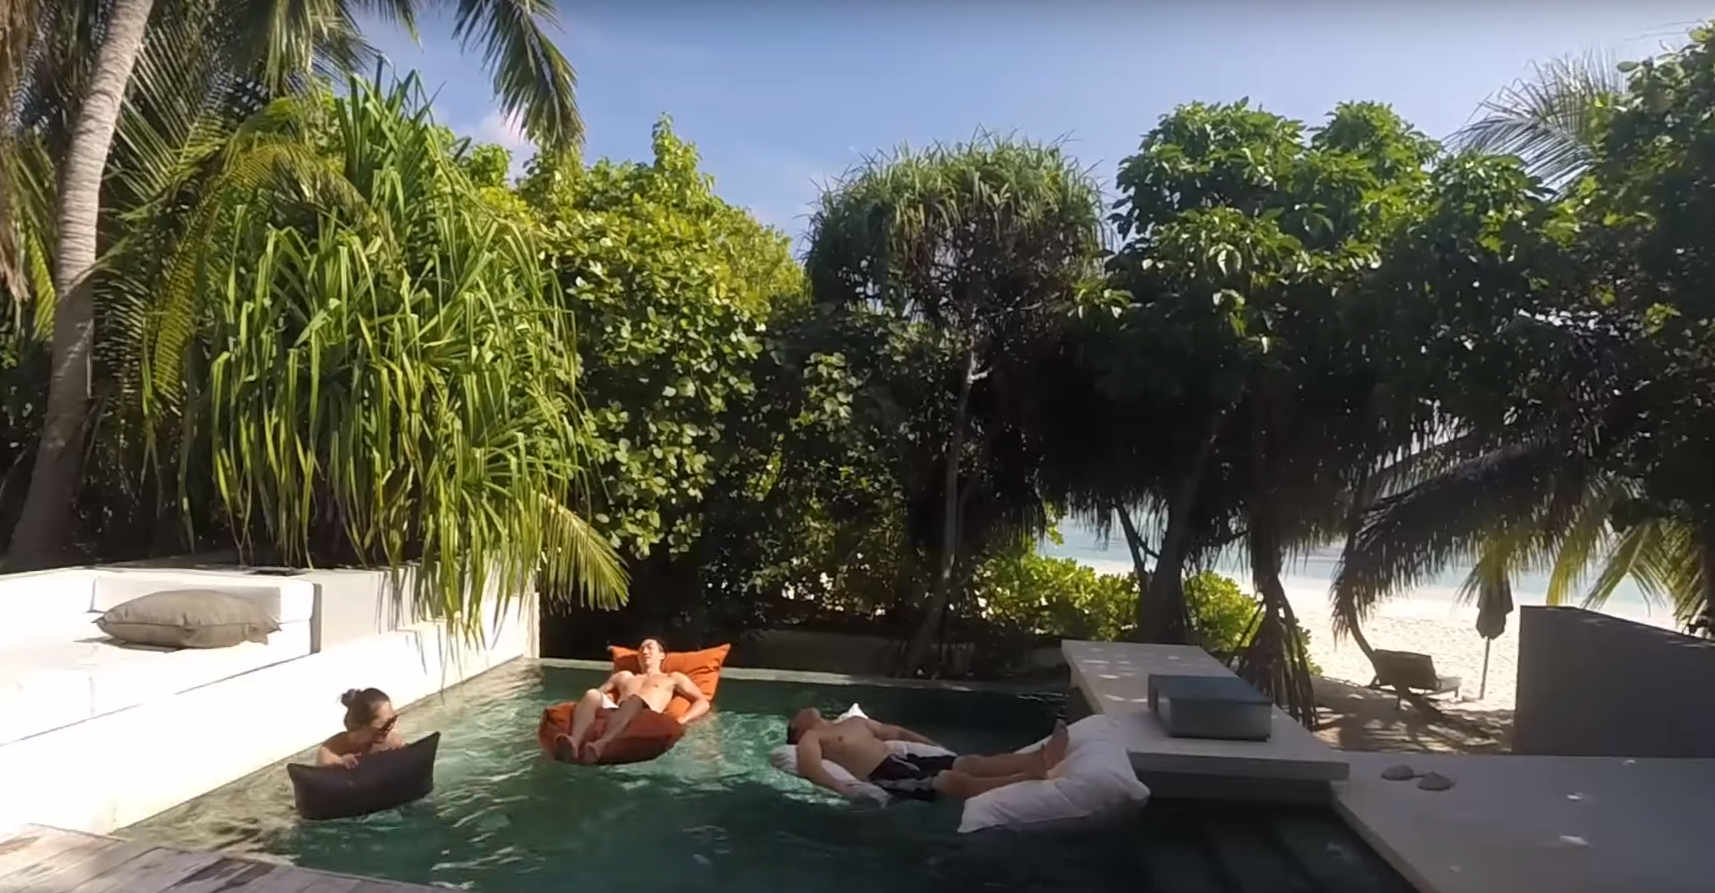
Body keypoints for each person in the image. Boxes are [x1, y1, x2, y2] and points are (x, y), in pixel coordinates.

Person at [786, 707, 1069, 801]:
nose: (801, 710)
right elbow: (812, 767)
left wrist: (934, 746)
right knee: (950, 781)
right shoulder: (811, 738)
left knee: (969, 762)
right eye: (795, 716)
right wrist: (840, 787)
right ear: (797, 730)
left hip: (903, 760)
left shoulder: (855, 721)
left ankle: (1037, 758)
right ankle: (1027, 776)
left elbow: (896, 732)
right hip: (883, 775)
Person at [554, 637, 710, 763]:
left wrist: (682, 720)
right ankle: (574, 742)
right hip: (617, 711)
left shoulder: (672, 678)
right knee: (592, 693)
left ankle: (601, 744)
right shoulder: (624, 676)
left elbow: (702, 702)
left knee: (634, 700)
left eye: (649, 647)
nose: (644, 651)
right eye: (641, 649)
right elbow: (598, 695)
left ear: (662, 655)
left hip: (646, 714)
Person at [316, 687, 406, 768]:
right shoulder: (349, 740)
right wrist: (340, 761)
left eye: (393, 719)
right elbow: (323, 754)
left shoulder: (392, 738)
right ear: (362, 726)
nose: (392, 726)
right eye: (385, 724)